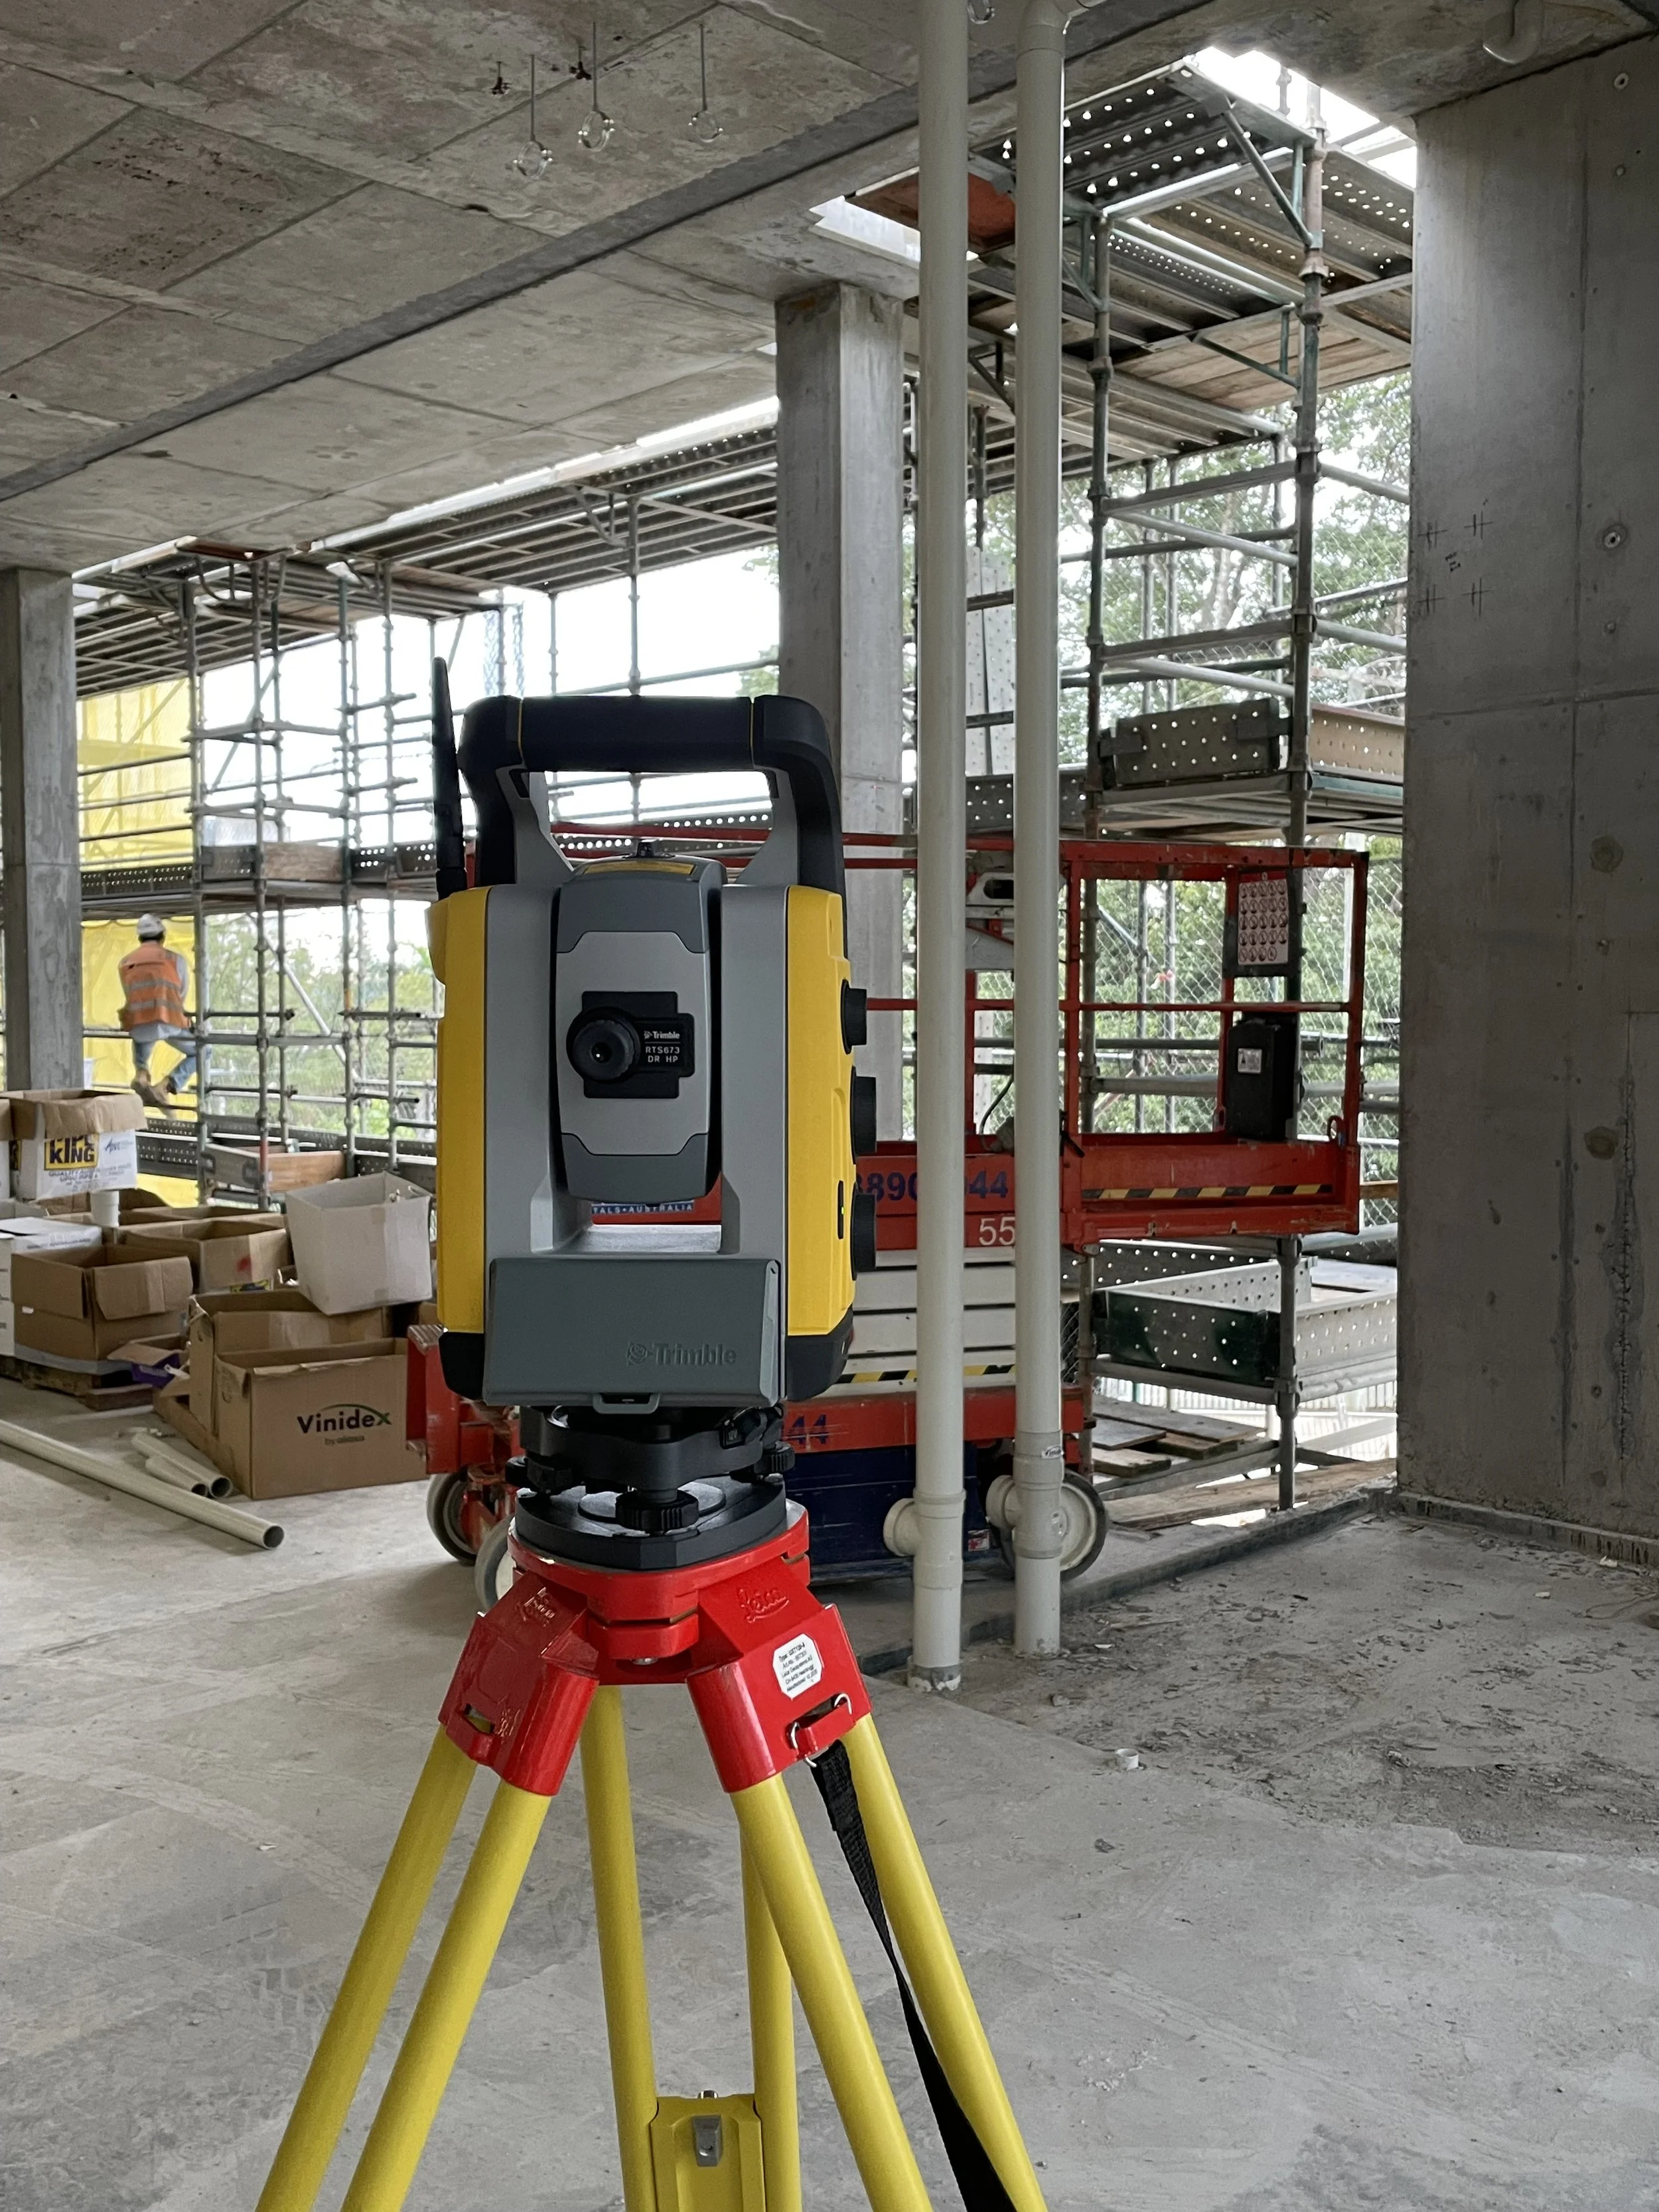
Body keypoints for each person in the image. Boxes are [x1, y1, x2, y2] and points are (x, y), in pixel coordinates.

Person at [119, 916, 198, 1112]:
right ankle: (166, 1086)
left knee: (141, 1037)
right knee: (204, 1051)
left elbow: (130, 993)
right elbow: (181, 995)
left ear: (140, 938)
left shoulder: (125, 962)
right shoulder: (175, 960)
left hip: (139, 1024)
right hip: (169, 1022)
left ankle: (142, 1073)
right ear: (163, 936)